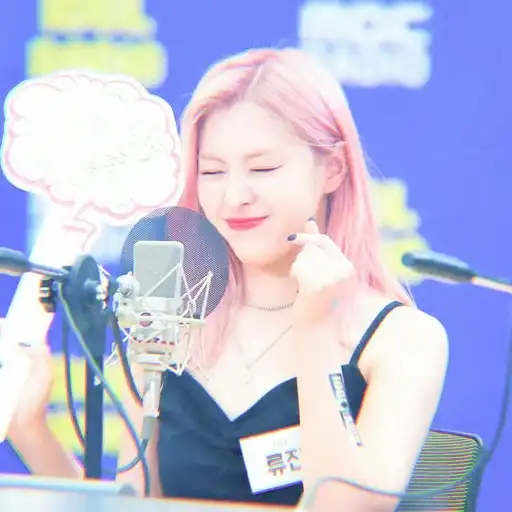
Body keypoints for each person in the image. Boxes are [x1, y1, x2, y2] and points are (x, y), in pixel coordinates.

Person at [6, 48, 449, 510]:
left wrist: (315, 332)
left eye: (263, 168)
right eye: (213, 171)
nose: (235, 195)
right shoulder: (167, 312)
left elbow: (342, 507)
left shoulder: (404, 339)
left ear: (333, 168)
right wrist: (29, 429)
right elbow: (133, 505)